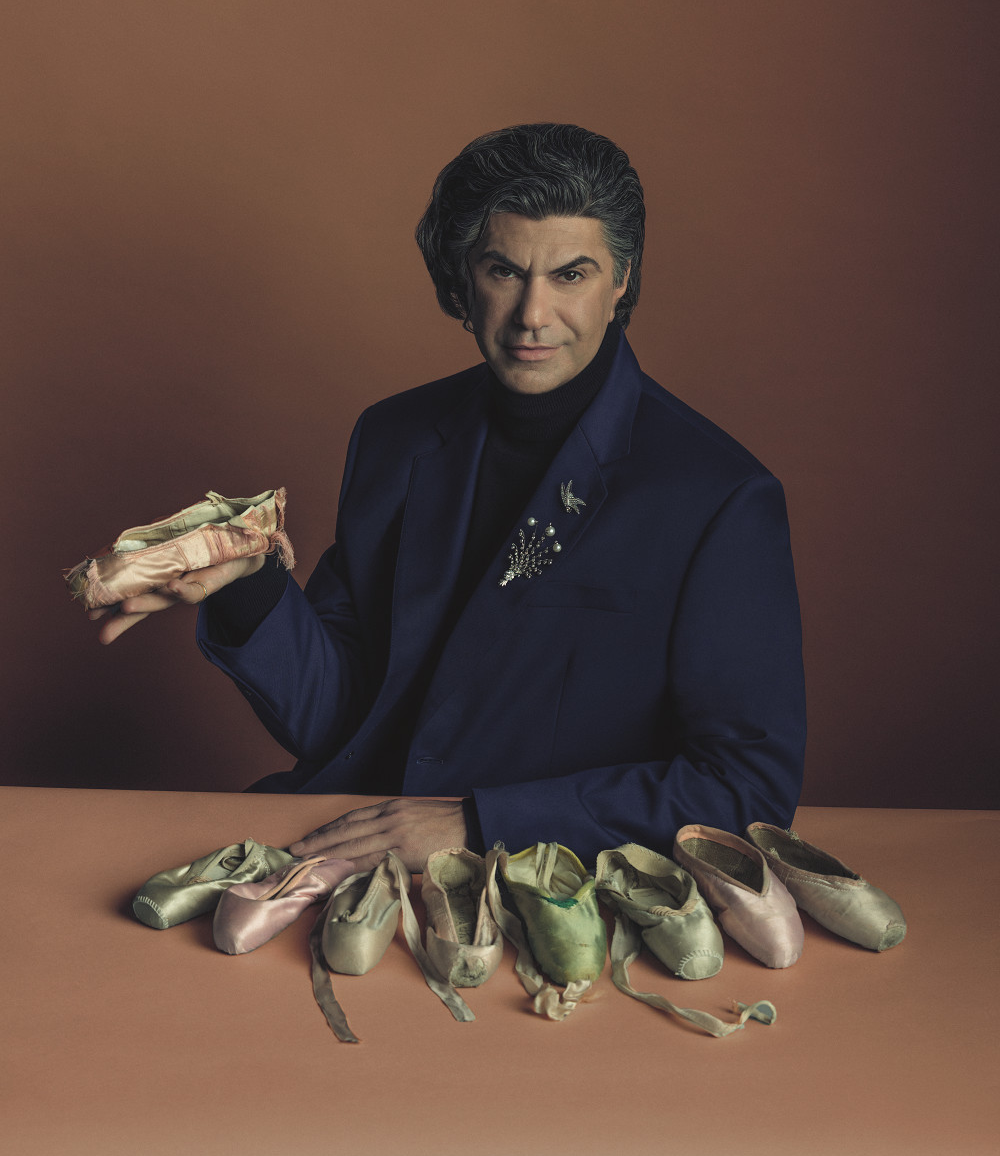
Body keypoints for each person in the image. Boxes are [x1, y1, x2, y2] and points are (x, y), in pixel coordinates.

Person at [93, 123, 806, 875]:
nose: (533, 314)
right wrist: (250, 584)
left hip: (558, 883)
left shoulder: (719, 494)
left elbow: (745, 785)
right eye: (504, 271)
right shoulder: (394, 436)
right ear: (463, 275)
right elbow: (338, 723)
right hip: (351, 844)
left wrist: (479, 822)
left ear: (621, 281)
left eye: (571, 275)